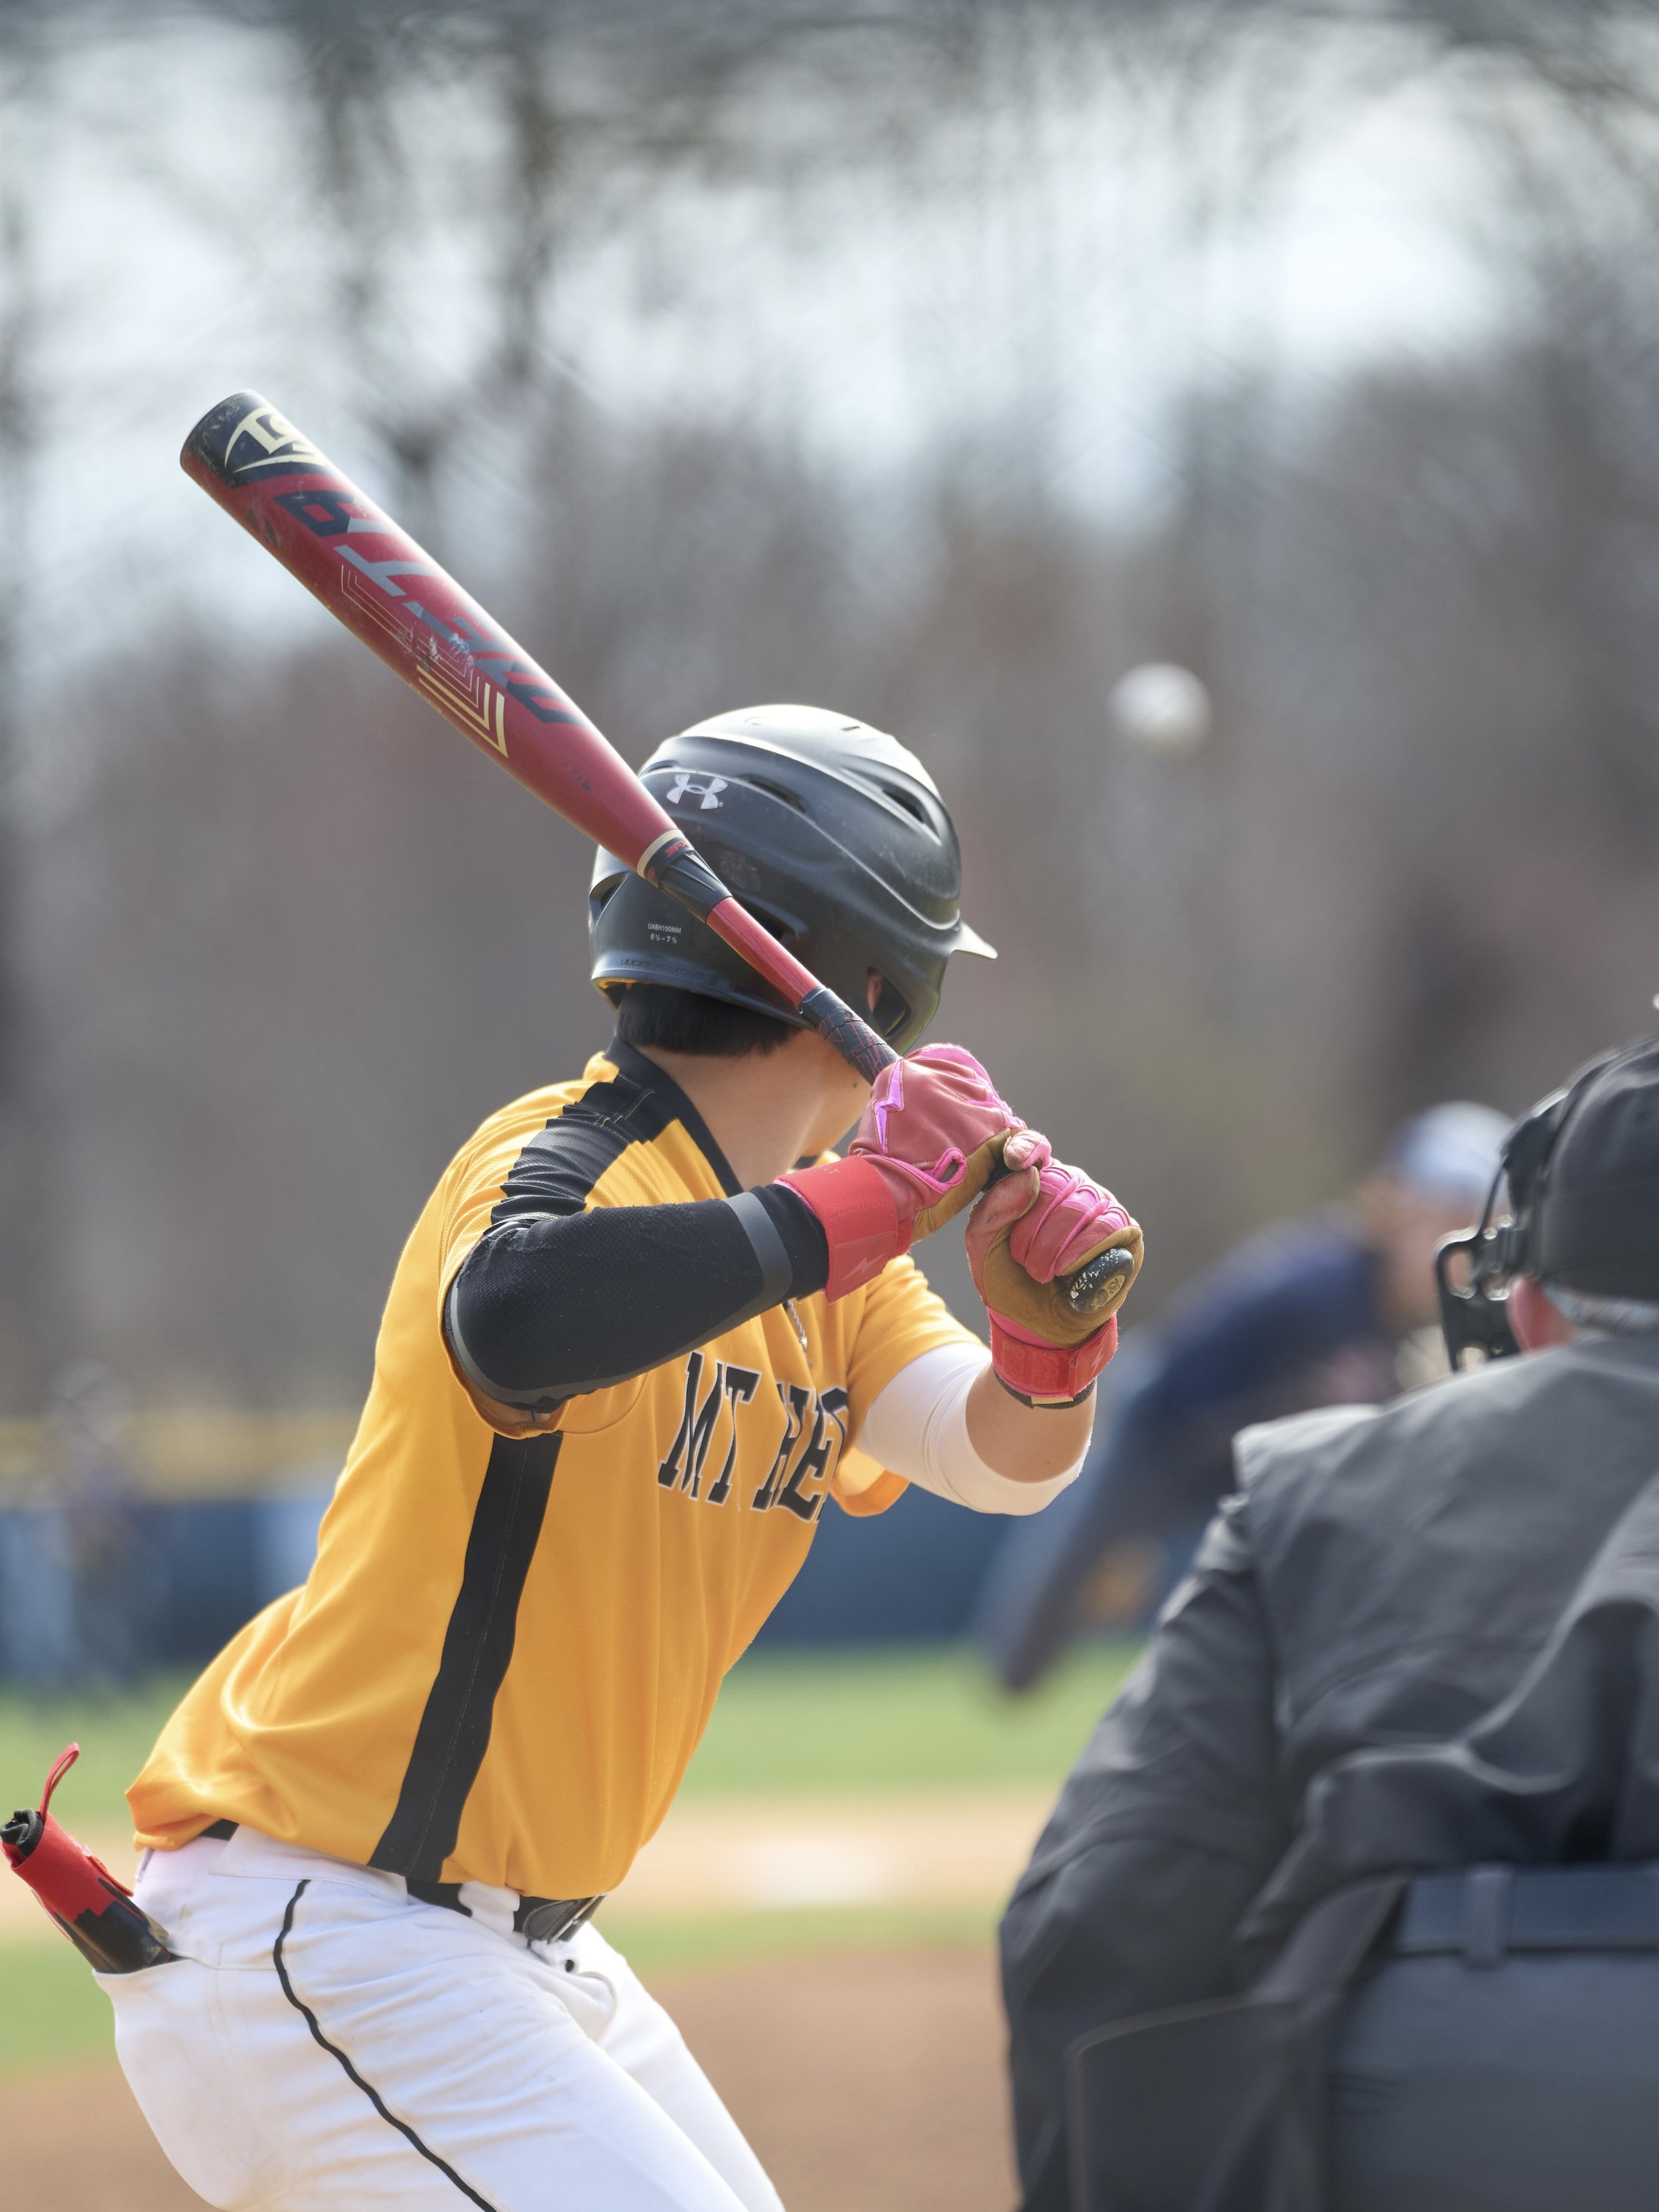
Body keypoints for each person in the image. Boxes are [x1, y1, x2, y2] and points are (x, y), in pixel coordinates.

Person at [104, 704, 1142, 2212]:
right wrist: (859, 1205)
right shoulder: (568, 1159)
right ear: (880, 984)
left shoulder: (824, 1248)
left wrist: (1050, 1346)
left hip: (502, 1952)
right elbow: (514, 1316)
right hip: (324, 1921)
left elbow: (1002, 1460)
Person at [1001, 1031, 1659, 2212]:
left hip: (1416, 2101)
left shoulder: (1317, 1484)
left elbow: (1103, 1916)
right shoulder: (1298, 1305)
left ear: (1537, 1311)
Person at [974, 1099, 1509, 1691]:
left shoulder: (1413, 1315)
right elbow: (1182, 1364)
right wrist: (1134, 1529)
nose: (1460, 1249)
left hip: (1246, 1473)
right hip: (1163, 1433)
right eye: (1446, 1218)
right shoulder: (1322, 1282)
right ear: (1401, 1207)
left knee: (1237, 1632)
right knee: (1029, 1647)